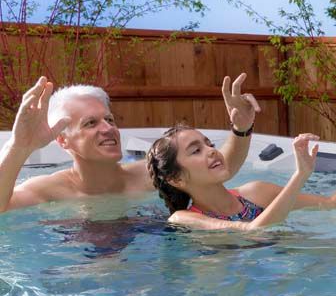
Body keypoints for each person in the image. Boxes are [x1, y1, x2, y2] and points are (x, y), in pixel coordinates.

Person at [0, 74, 261, 213]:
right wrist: (19, 146)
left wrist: (241, 128)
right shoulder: (49, 191)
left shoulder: (146, 174)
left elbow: (220, 168)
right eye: (91, 123)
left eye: (109, 119)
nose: (108, 128)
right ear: (63, 140)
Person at [145, 114, 336, 230]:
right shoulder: (184, 219)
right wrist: (299, 176)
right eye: (195, 150)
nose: (211, 151)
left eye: (209, 143)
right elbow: (253, 232)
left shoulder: (257, 192)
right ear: (176, 178)